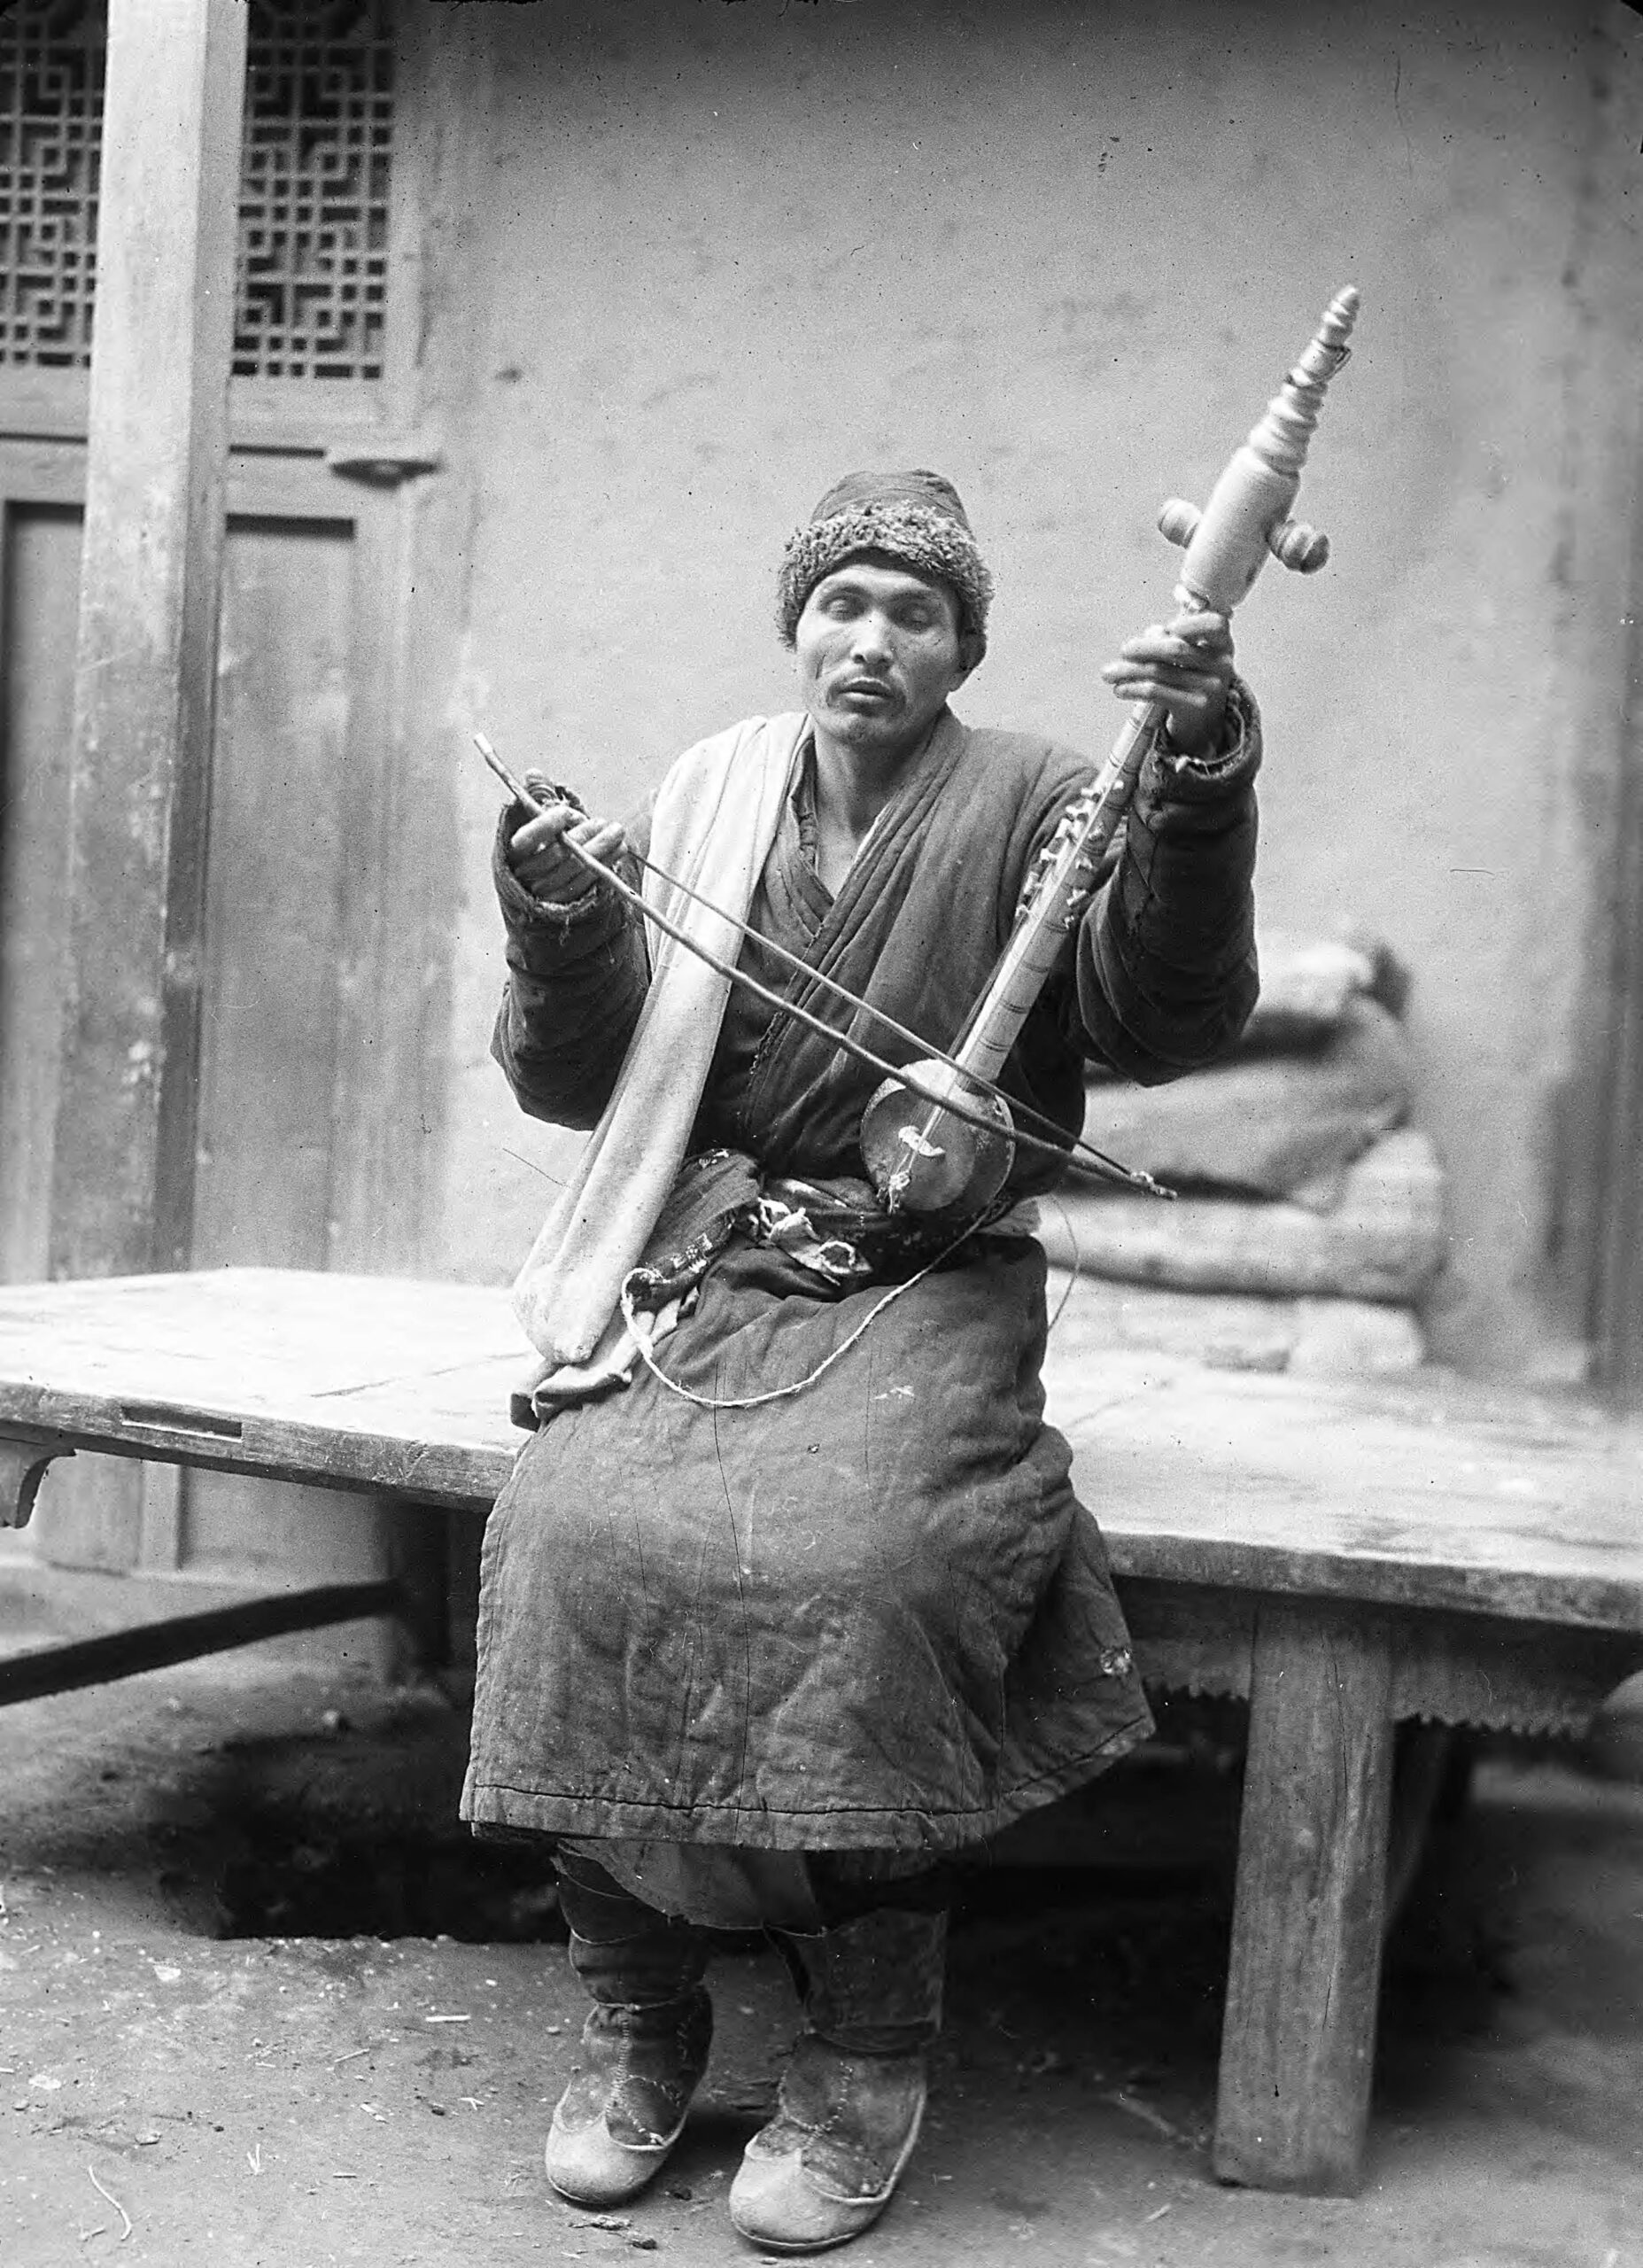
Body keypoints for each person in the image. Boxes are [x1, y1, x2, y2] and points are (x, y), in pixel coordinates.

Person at [461, 469, 1259, 2252]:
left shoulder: (1049, 790)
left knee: (871, 1559)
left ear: (962, 645)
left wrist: (1196, 796)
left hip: (939, 1272)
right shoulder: (718, 791)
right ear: (796, 627)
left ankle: (865, 2050)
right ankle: (641, 2017)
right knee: (570, 1529)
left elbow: (1160, 1013)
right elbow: (580, 1074)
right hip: (729, 1254)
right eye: (843, 604)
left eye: (913, 612)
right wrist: (567, 924)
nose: (871, 639)